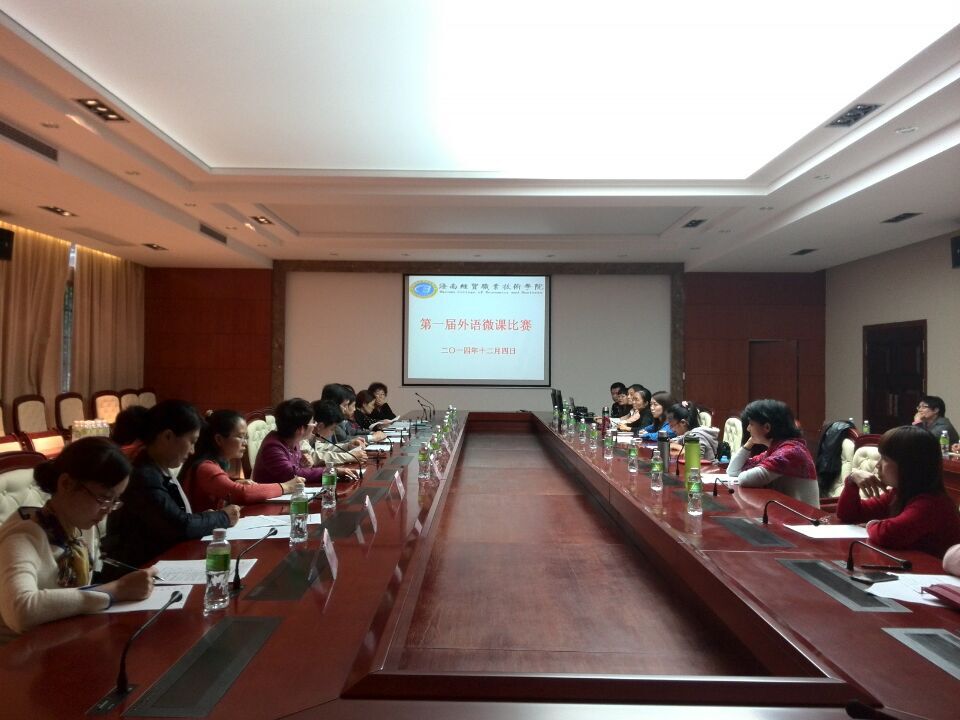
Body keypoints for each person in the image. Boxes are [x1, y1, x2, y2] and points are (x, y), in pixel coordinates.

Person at [0, 438, 156, 643]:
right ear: (66, 483)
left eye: (115, 500)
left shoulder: (80, 529)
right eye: (103, 498)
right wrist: (116, 590)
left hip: (65, 638)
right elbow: (20, 611)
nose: (108, 510)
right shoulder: (23, 536)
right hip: (18, 653)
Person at [102, 401, 240, 575]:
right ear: (167, 436)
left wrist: (206, 518)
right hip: (138, 572)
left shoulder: (157, 467)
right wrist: (223, 517)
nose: (192, 451)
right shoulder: (144, 476)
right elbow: (181, 526)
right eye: (191, 441)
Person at [837, 425, 960, 557]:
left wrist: (870, 525)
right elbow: (849, 514)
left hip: (935, 569)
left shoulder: (932, 504)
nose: (877, 465)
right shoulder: (899, 493)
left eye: (885, 459)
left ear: (909, 465)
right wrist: (852, 480)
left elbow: (887, 535)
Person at [180, 410, 302, 512]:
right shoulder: (206, 467)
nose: (245, 443)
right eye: (240, 437)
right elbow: (242, 493)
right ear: (219, 439)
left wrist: (235, 482)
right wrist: (285, 486)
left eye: (246, 437)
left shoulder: (216, 464)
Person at [726, 399, 819, 507]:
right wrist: (749, 443)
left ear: (767, 427)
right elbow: (733, 471)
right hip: (786, 512)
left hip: (802, 516)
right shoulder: (776, 450)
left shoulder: (791, 452)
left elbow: (745, 479)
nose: (748, 429)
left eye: (751, 424)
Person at [252, 398, 329, 486]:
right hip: (270, 494)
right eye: (313, 422)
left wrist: (304, 466)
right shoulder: (272, 447)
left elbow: (295, 470)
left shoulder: (293, 440)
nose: (315, 425)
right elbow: (293, 474)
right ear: (300, 429)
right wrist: (331, 471)